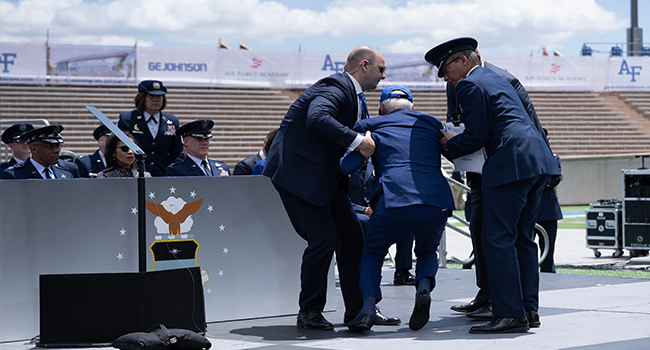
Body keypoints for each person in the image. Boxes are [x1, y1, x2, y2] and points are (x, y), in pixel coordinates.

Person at [427, 37, 560, 334]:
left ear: (463, 61)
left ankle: (509, 314)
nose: (444, 77)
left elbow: (477, 135)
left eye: (445, 69)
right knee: (522, 239)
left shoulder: (470, 84)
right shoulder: (497, 78)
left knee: (497, 238)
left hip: (509, 166)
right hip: (536, 163)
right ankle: (528, 308)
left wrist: (447, 145)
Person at [263, 45, 387, 330]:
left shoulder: (355, 95)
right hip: (300, 176)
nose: (383, 76)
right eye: (381, 69)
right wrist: (358, 141)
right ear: (364, 65)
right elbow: (318, 118)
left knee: (352, 236)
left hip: (326, 179)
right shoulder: (335, 85)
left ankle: (359, 310)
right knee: (323, 240)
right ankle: (309, 311)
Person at [340, 85, 455, 332]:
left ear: (381, 108)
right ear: (412, 106)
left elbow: (346, 166)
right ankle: (423, 290)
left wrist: (364, 152)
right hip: (435, 200)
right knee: (426, 252)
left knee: (372, 252)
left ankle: (368, 309)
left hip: (394, 200)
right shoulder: (432, 123)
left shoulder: (371, 126)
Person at [118, 80, 182, 176]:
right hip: (134, 176)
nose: (156, 99)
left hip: (164, 175)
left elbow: (177, 152)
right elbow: (119, 149)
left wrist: (172, 171)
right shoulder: (127, 119)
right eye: (151, 96)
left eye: (159, 96)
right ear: (142, 98)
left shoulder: (171, 121)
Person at [1, 125, 74, 180]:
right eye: (49, 146)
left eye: (58, 146)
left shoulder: (65, 174)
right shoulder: (14, 175)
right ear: (34, 149)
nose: (57, 150)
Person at [165, 119, 231, 177]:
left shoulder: (222, 167)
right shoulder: (176, 170)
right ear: (185, 141)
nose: (205, 143)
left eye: (206, 139)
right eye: (199, 139)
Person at [537, 130, 563, 273]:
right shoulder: (529, 157)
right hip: (530, 209)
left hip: (548, 209)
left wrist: (537, 181)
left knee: (548, 248)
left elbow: (555, 179)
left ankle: (548, 274)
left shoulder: (553, 158)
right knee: (527, 247)